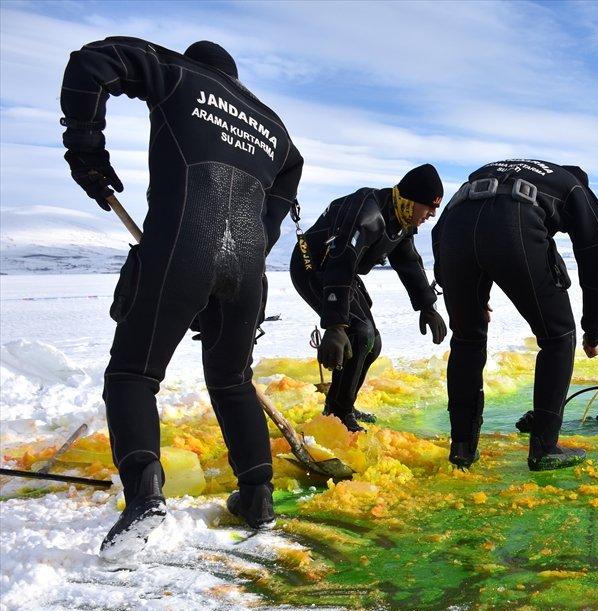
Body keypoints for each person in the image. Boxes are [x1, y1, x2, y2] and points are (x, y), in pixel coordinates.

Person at [60, 37, 303, 557]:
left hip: (181, 247)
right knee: (233, 381)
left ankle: (145, 497)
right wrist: (247, 249)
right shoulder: (275, 129)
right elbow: (287, 181)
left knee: (133, 374)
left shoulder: (178, 73)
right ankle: (257, 496)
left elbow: (94, 61)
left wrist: (85, 149)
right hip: (248, 268)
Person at [432, 160, 598, 471]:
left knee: (467, 338)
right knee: (558, 336)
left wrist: (461, 288)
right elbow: (596, 257)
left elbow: (442, 227)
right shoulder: (574, 187)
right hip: (514, 221)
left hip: (456, 232)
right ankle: (545, 448)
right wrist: (593, 330)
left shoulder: (499, 171)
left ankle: (462, 447)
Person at [291, 166, 448, 431]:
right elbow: (340, 261)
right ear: (411, 200)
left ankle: (340, 405)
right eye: (429, 207)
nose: (432, 214)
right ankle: (338, 416)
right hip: (315, 268)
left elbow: (409, 262)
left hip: (344, 275)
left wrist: (427, 306)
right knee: (360, 334)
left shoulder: (400, 218)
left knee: (372, 343)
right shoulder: (366, 214)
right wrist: (334, 326)